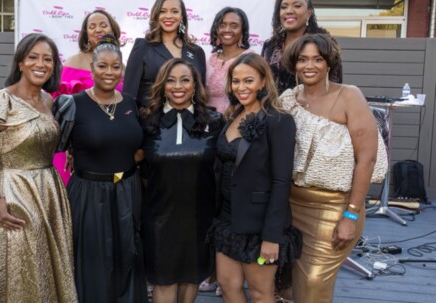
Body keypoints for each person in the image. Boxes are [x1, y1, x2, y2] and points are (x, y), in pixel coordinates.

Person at [0, 33, 78, 302]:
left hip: (49, 193)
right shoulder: (1, 101)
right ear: (20, 62)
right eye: (33, 57)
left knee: (44, 270)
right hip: (14, 198)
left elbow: (33, 144)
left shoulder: (48, 101)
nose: (40, 64)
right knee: (18, 271)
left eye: (47, 59)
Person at [280, 33, 381, 303]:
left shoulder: (349, 96)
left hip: (334, 210)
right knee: (291, 286)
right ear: (294, 63)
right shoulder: (289, 99)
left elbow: (367, 159)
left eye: (317, 59)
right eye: (303, 59)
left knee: (313, 283)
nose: (309, 66)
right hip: (291, 207)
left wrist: (350, 215)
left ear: (329, 63)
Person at [53, 36, 147, 303]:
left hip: (128, 190)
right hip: (88, 194)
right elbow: (49, 146)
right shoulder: (72, 104)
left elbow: (140, 147)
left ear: (122, 70)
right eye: (102, 66)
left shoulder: (131, 104)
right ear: (91, 69)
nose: (109, 72)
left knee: (127, 255)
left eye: (115, 67)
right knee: (93, 260)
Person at [207, 53, 301, 303]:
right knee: (229, 288)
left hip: (260, 227)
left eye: (248, 80)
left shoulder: (279, 121)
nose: (241, 87)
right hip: (227, 222)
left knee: (261, 294)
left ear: (262, 82)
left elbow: (281, 182)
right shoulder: (230, 117)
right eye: (235, 81)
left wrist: (271, 237)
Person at [140, 58, 224, 303]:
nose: (178, 86)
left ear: (195, 85)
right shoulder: (146, 121)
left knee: (191, 278)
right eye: (171, 80)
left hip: (199, 218)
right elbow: (139, 168)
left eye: (185, 80)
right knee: (163, 281)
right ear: (162, 85)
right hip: (158, 218)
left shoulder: (213, 121)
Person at [52, 10, 123, 183]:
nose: (98, 29)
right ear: (86, 35)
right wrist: (70, 146)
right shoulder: (73, 62)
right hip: (74, 147)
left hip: (109, 147)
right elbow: (60, 110)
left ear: (112, 30)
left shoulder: (122, 66)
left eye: (103, 25)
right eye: (92, 26)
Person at [124, 0, 206, 107]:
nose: (168, 16)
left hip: (189, 121)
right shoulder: (143, 47)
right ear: (156, 15)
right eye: (162, 11)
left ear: (182, 16)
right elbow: (129, 93)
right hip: (150, 121)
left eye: (174, 11)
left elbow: (201, 94)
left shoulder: (196, 52)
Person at [261, 0, 342, 94]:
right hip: (273, 108)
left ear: (309, 13)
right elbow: (262, 82)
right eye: (284, 7)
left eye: (297, 6)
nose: (289, 11)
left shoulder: (325, 43)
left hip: (313, 108)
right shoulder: (270, 46)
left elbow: (335, 83)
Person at [206, 7, 254, 113]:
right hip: (208, 122)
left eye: (234, 26)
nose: (227, 29)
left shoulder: (249, 59)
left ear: (242, 30)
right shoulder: (211, 59)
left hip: (236, 121)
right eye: (222, 25)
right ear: (216, 29)